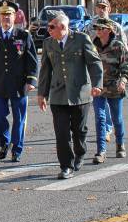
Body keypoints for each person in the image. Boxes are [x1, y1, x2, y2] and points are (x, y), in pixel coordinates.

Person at [37, 11, 103, 180]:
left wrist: (97, 85)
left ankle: (80, 151)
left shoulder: (81, 39)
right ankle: (66, 166)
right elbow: (45, 70)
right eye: (48, 26)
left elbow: (94, 62)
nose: (48, 29)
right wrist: (41, 93)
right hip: (58, 94)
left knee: (79, 130)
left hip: (80, 93)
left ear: (63, 26)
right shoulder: (48, 43)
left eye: (51, 26)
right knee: (61, 133)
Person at [0, 1, 38, 162]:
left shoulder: (23, 35)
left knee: (19, 118)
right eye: (3, 15)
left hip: (19, 84)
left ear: (15, 17)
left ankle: (17, 149)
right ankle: (5, 141)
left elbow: (32, 60)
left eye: (9, 15)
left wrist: (31, 80)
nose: (6, 18)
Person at [91, 18, 128, 163]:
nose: (98, 31)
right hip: (98, 88)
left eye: (101, 28)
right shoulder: (92, 46)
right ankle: (101, 151)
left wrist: (123, 80)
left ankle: (120, 144)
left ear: (108, 30)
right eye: (96, 28)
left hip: (115, 87)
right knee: (100, 118)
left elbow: (127, 65)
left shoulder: (118, 46)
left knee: (117, 119)